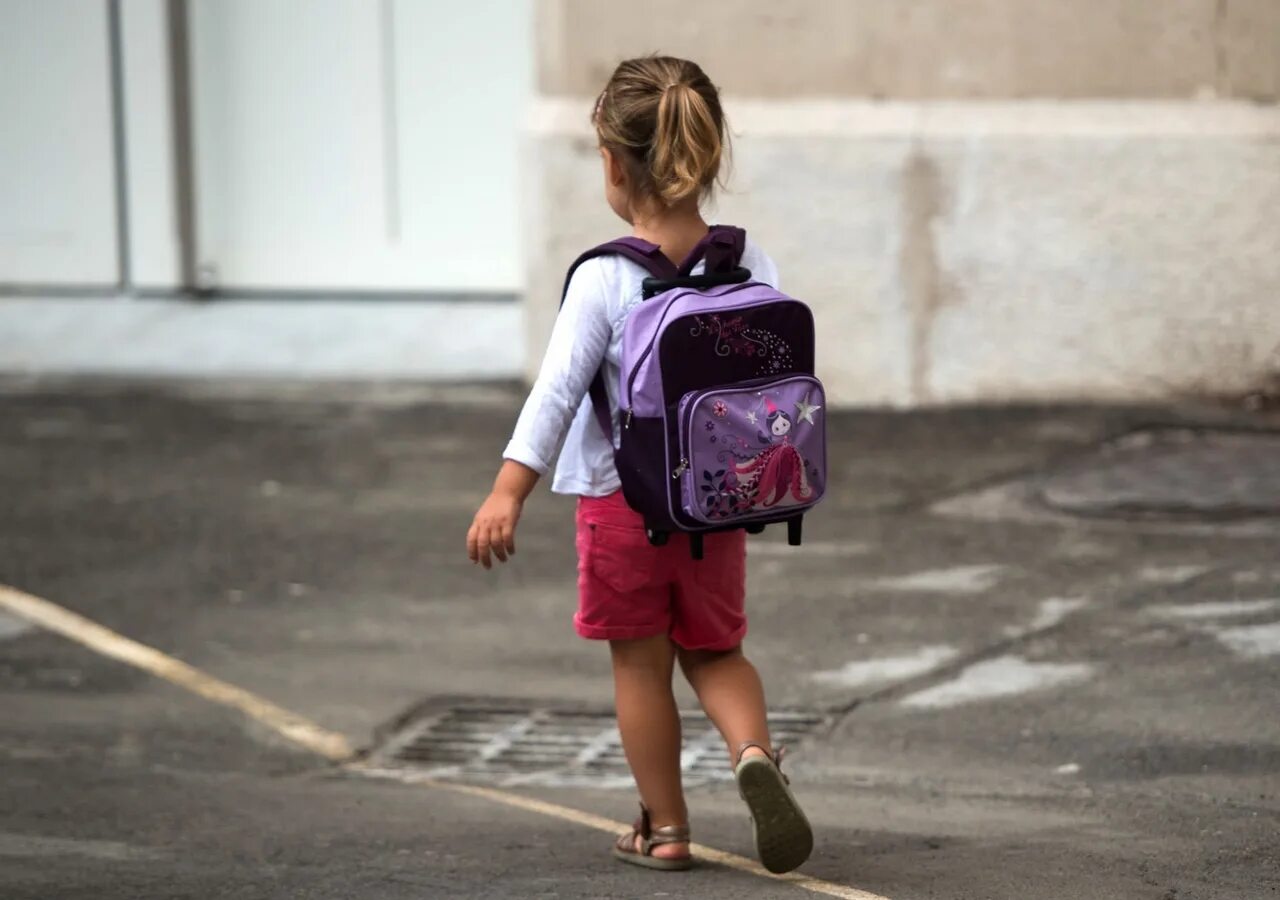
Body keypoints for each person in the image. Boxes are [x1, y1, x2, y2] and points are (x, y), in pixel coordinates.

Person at [466, 55, 813, 875]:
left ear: (616, 166)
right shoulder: (749, 259)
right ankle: (753, 752)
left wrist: (507, 490)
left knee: (641, 666)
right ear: (707, 153)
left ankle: (665, 828)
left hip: (622, 506)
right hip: (718, 502)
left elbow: (555, 396)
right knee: (717, 651)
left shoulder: (607, 277)